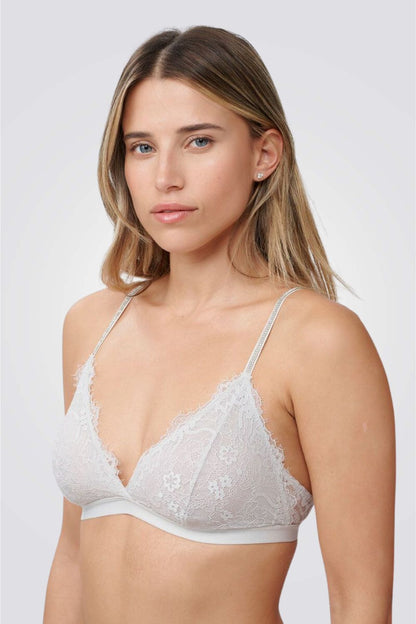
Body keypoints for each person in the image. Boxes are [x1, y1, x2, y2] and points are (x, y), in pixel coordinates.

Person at [43, 25, 395, 624]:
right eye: (142, 147)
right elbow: (73, 558)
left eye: (199, 141)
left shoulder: (316, 342)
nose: (166, 177)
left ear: (264, 155)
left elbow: (357, 602)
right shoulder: (92, 324)